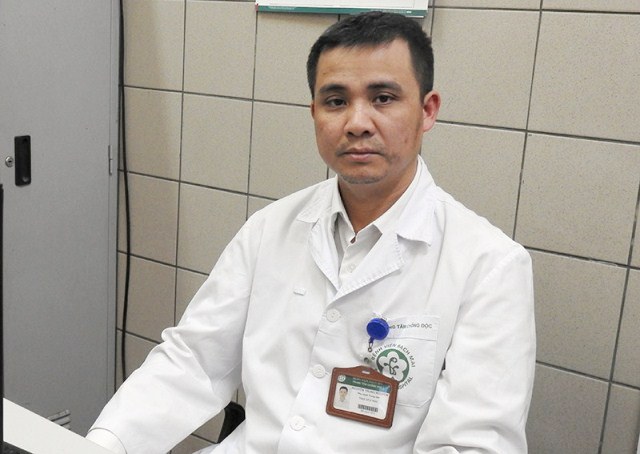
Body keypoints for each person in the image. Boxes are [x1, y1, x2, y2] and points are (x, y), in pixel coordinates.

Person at [87, 11, 535, 454]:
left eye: (383, 98)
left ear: (427, 110)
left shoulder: (489, 266)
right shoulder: (270, 228)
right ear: (315, 112)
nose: (357, 123)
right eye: (336, 101)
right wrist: (105, 445)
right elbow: (193, 362)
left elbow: (471, 444)